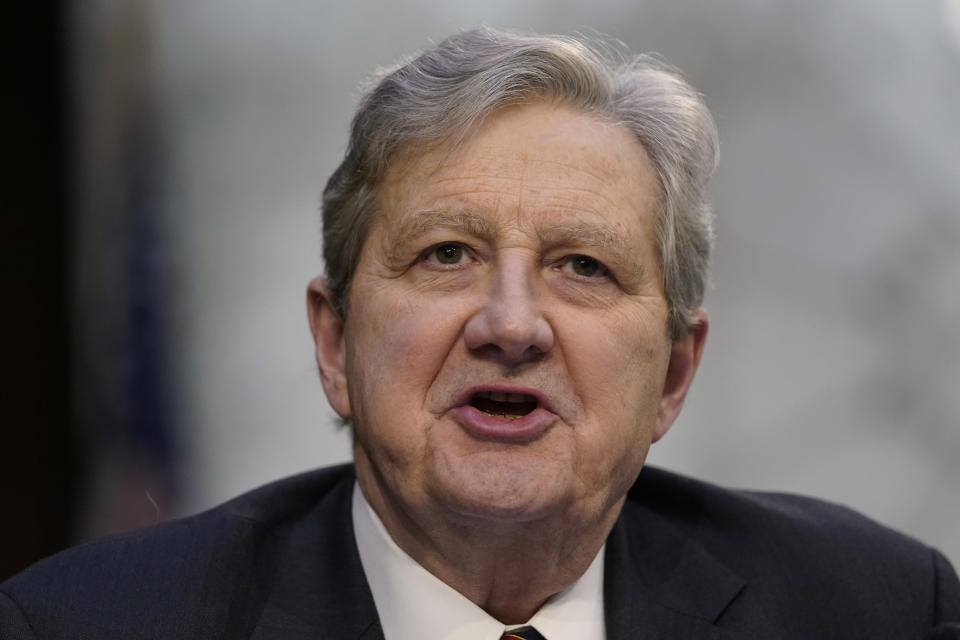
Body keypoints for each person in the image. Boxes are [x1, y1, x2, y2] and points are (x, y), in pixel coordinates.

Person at [2, 26, 958, 640]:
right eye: (447, 255)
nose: (511, 325)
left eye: (583, 266)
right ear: (335, 345)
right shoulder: (86, 626)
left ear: (673, 374)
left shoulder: (875, 610)